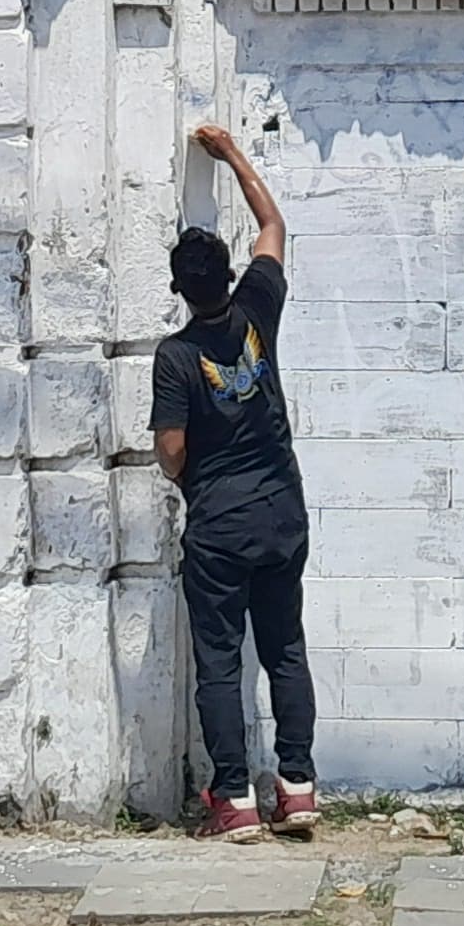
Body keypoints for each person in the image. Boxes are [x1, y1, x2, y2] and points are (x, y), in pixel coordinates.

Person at [152, 122, 315, 842]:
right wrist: (232, 156)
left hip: (218, 527)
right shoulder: (259, 308)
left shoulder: (176, 356)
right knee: (284, 649)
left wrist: (184, 472)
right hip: (283, 512)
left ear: (179, 291)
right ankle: (298, 786)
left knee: (220, 663)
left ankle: (233, 800)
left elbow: (170, 449)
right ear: (225, 278)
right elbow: (273, 223)